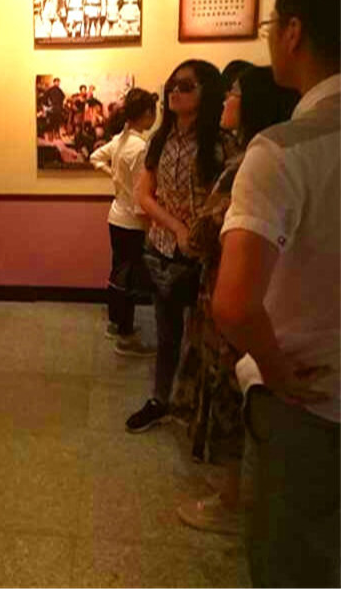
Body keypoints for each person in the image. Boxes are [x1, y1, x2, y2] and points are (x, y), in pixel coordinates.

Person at [212, 0, 340, 587]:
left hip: (314, 401)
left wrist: (280, 376)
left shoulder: (285, 150)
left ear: (293, 30)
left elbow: (235, 304)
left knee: (291, 563)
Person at [173, 66, 299, 535]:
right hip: (267, 292)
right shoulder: (281, 155)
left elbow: (203, 236)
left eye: (236, 93)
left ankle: (231, 499)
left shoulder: (247, 164)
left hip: (230, 289)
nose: (227, 99)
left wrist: (187, 231)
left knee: (229, 389)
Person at [125, 59, 225, 432]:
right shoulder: (160, 139)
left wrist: (198, 232)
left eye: (186, 86)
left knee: (204, 339)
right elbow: (144, 195)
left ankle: (199, 409)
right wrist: (176, 227)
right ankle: (160, 398)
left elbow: (227, 200)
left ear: (206, 92)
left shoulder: (220, 143)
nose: (174, 92)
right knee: (166, 332)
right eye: (172, 85)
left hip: (208, 255)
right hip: (164, 249)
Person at [90, 89, 158, 350]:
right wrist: (149, 227)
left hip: (116, 216)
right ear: (147, 114)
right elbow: (142, 196)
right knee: (129, 277)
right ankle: (126, 335)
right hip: (132, 221)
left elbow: (95, 157)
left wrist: (115, 176)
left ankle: (116, 323)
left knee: (118, 272)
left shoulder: (120, 140)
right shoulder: (140, 147)